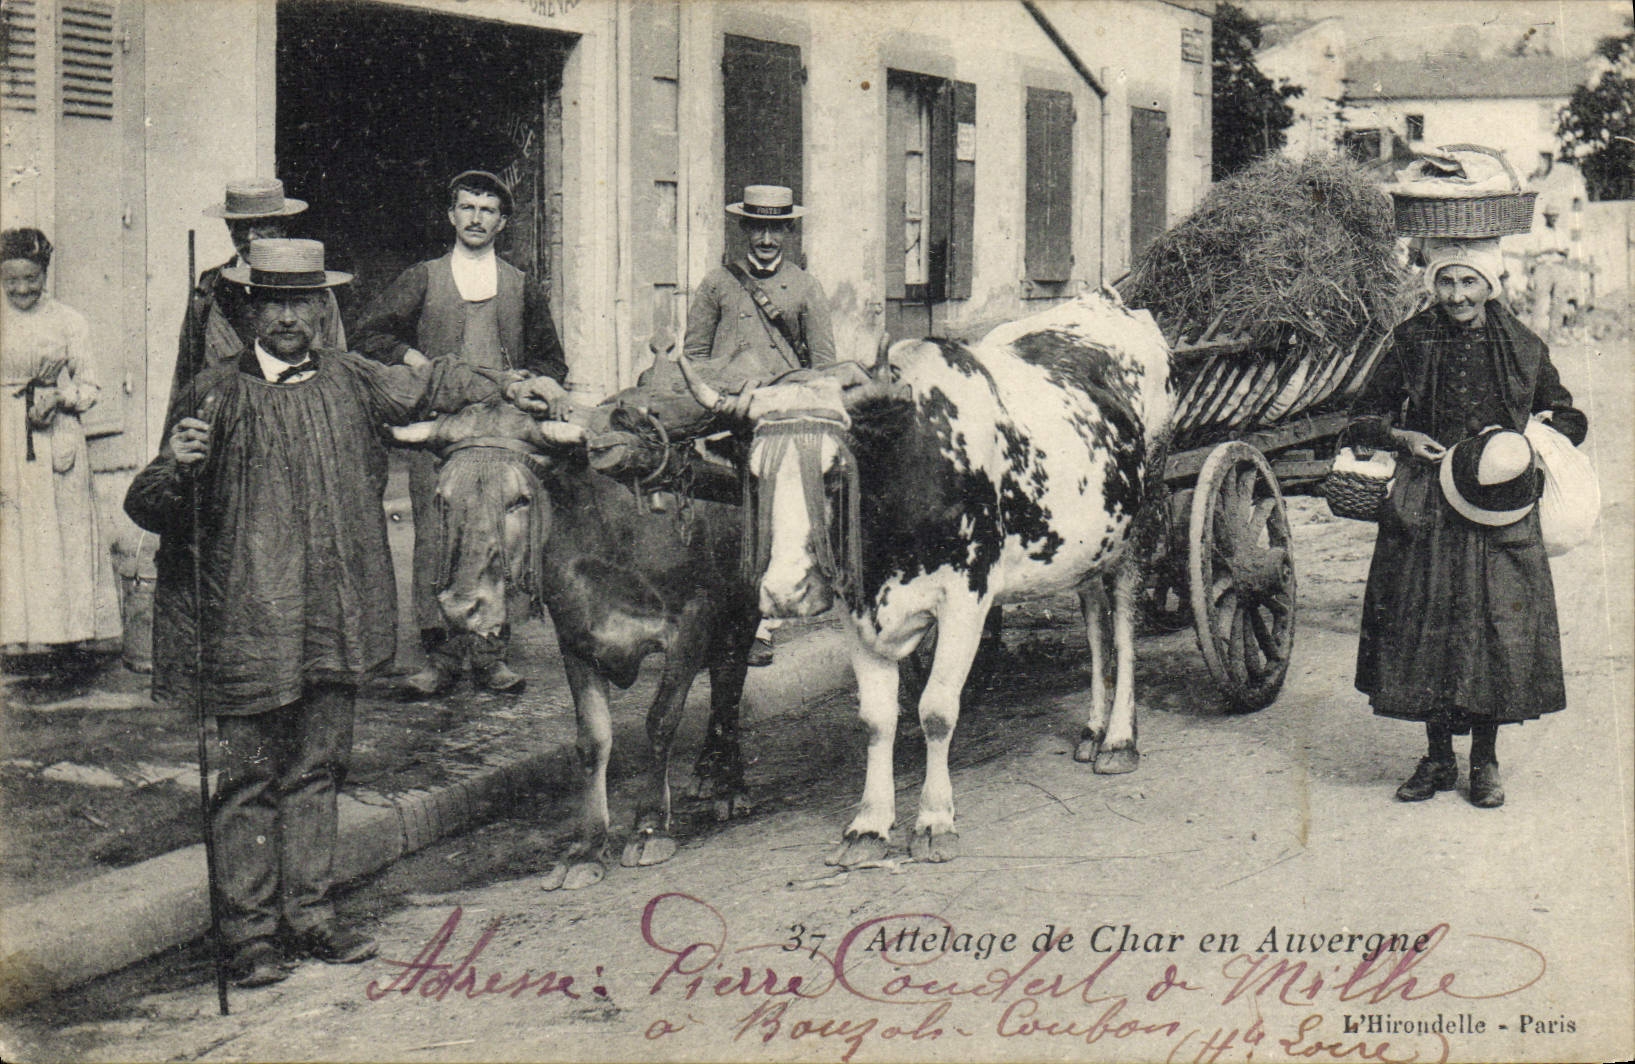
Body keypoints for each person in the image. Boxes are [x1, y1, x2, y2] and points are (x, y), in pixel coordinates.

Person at [125, 239, 564, 989]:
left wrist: (510, 381)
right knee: (247, 781)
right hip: (248, 620)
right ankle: (249, 935)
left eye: (304, 301)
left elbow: (433, 383)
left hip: (331, 612)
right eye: (274, 301)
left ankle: (311, 916)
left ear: (321, 307)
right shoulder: (212, 392)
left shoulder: (353, 379)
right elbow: (150, 506)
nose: (289, 316)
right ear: (251, 309)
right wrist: (178, 464)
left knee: (317, 769)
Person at [1346, 236, 1587, 809]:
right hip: (1428, 502)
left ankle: (1484, 761)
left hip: (1499, 505)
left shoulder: (1522, 346)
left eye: (1469, 282)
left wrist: (1527, 443)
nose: (1457, 296)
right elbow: (1362, 417)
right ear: (1433, 285)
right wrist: (1402, 436)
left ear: (1489, 286)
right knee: (1428, 622)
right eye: (1446, 282)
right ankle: (1437, 758)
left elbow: (1569, 416)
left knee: (1494, 626)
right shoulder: (1410, 340)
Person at [353, 170, 569, 697]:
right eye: (467, 208)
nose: (476, 218)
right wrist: (415, 360)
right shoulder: (424, 278)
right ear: (451, 216)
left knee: (500, 537)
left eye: (487, 210)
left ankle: (492, 653)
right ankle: (442, 657)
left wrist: (536, 381)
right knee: (437, 535)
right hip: (440, 431)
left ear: (502, 223)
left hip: (501, 436)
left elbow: (552, 361)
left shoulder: (521, 285)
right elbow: (369, 334)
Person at [1, 228, 120, 658]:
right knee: (13, 532)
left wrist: (60, 398)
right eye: (11, 280)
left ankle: (69, 632)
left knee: (62, 533)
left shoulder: (69, 321)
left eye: (31, 278)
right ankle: (14, 633)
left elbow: (90, 387)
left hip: (56, 438)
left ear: (45, 273)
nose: (22, 289)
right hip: (6, 437)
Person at [169, 177, 345, 418]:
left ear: (282, 227)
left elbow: (338, 371)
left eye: (262, 225)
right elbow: (186, 377)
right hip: (230, 422)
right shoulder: (210, 289)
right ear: (229, 227)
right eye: (240, 226)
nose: (251, 237)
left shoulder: (314, 289)